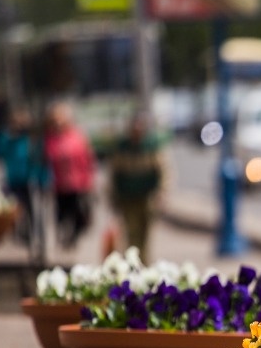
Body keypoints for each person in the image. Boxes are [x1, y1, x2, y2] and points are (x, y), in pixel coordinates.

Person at [107, 112, 168, 264]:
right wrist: (112, 196)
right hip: (128, 198)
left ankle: (145, 263)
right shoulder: (122, 148)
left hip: (147, 197)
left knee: (145, 235)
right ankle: (133, 263)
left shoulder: (151, 146)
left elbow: (164, 171)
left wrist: (162, 192)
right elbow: (113, 173)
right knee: (132, 234)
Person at [42, 102, 97, 249]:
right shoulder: (49, 139)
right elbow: (46, 160)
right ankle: (65, 237)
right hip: (59, 185)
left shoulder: (77, 136)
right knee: (61, 214)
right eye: (55, 121)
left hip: (77, 183)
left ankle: (73, 236)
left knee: (79, 215)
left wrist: (89, 180)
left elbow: (88, 159)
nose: (58, 124)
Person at [0, 107, 50, 243]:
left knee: (32, 209)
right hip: (13, 179)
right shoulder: (8, 140)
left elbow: (40, 159)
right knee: (15, 209)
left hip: (29, 179)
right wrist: (6, 134)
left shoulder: (31, 140)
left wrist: (43, 178)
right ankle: (19, 233)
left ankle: (34, 233)